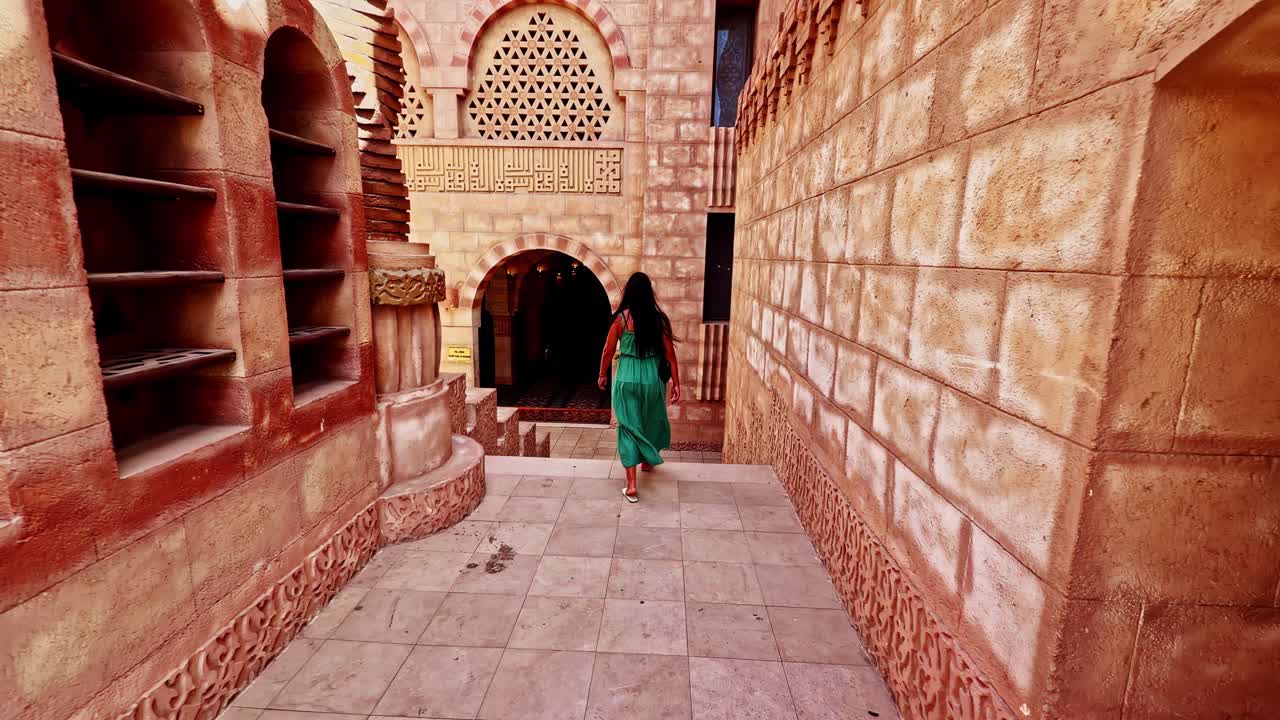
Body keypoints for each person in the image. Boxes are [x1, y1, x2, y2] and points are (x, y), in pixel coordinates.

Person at [597, 272, 680, 502]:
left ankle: (632, 485)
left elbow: (608, 350)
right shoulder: (659, 319)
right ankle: (647, 461)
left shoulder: (620, 319)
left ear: (629, 292)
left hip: (626, 377)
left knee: (628, 425)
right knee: (652, 417)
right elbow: (670, 354)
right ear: (648, 292)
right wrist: (676, 383)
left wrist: (602, 374)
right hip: (652, 378)